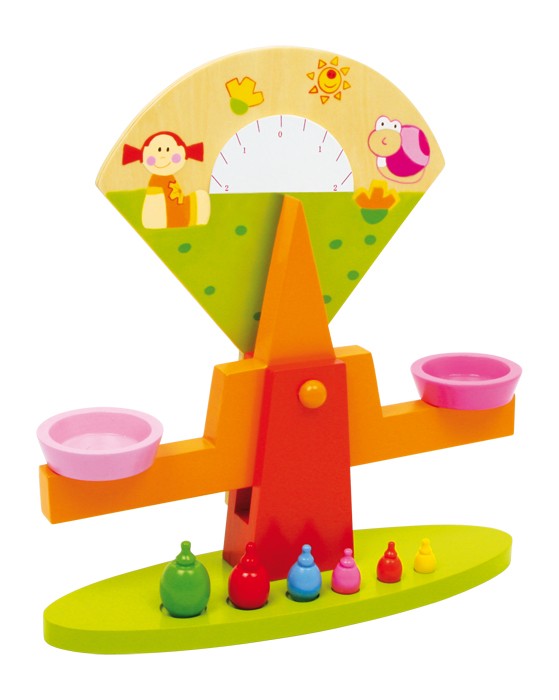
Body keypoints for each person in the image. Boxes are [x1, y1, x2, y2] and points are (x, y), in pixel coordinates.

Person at [123, 131, 210, 228]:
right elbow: (155, 202)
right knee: (200, 198)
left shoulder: (168, 177)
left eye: (168, 150)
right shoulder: (157, 180)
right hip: (170, 216)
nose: (162, 156)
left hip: (177, 209)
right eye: (159, 150)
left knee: (201, 196)